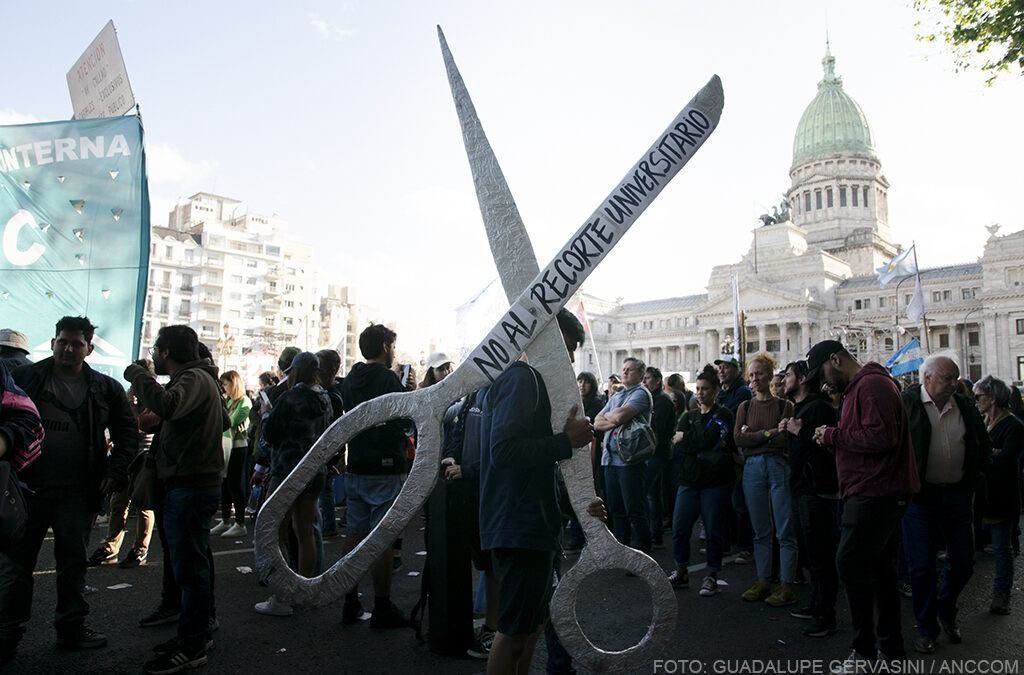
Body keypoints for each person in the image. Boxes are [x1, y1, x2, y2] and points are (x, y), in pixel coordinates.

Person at [0, 316, 137, 661]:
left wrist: (116, 471)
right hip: (28, 488)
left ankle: (71, 629)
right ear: (52, 343)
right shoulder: (25, 377)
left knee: (72, 563)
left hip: (78, 491)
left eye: (76, 343)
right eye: (63, 341)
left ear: (89, 349)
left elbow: (126, 434)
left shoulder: (106, 388)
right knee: (15, 565)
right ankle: (7, 632)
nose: (68, 348)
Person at [479, 309, 595, 675]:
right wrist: (566, 441)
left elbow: (537, 466)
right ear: (549, 344)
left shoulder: (528, 381)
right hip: (520, 525)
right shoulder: (522, 379)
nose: (573, 359)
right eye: (570, 348)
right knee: (514, 632)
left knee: (530, 629)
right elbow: (505, 452)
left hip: (530, 524)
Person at [805, 340, 919, 672]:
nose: (824, 383)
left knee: (851, 565)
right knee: (881, 573)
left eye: (823, 373)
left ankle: (865, 652)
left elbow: (881, 437)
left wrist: (832, 436)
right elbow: (868, 436)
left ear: (836, 359)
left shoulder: (871, 385)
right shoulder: (864, 386)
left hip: (874, 491)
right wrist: (835, 440)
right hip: (872, 489)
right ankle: (890, 653)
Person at [124, 325, 226, 674]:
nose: (152, 357)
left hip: (191, 485)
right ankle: (196, 631)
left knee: (190, 567)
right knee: (192, 561)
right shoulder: (201, 378)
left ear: (165, 353)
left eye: (155, 351)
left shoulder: (194, 378)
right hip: (189, 483)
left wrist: (138, 375)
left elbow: (168, 404)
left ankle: (193, 643)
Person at [901, 354, 991, 654]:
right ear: (927, 379)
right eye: (947, 378)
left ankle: (946, 606)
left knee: (964, 561)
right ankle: (926, 628)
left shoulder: (964, 407)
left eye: (955, 378)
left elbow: (980, 445)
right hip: (921, 497)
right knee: (922, 567)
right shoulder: (908, 405)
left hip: (957, 495)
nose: (954, 384)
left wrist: (976, 479)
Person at [339, 324, 414, 628]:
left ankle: (349, 600)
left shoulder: (349, 380)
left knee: (354, 534)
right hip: (385, 467)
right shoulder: (388, 378)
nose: (394, 352)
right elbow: (402, 420)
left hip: (356, 462)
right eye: (393, 346)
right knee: (381, 537)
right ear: (385, 346)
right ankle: (382, 606)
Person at [254, 352, 334, 617]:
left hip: (287, 469)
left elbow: (271, 434)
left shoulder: (289, 398)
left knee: (276, 531)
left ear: (295, 372)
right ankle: (304, 591)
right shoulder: (325, 399)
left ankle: (282, 594)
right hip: (314, 471)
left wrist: (266, 414)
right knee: (305, 532)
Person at [778, 360, 839, 637]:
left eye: (788, 375)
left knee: (821, 555)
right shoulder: (800, 408)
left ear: (802, 379)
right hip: (802, 487)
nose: (783, 380)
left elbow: (827, 449)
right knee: (811, 553)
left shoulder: (820, 407)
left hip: (817, 490)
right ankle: (816, 605)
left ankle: (826, 616)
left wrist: (798, 431)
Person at [734, 352, 797, 607]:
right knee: (760, 530)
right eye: (751, 374)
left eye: (759, 373)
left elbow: (786, 438)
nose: (754, 378)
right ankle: (762, 580)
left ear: (770, 375)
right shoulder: (745, 407)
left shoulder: (785, 406)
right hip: (752, 469)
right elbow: (738, 440)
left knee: (784, 529)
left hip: (778, 465)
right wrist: (769, 433)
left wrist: (756, 435)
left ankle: (786, 585)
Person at [667, 364, 735, 596]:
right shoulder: (691, 415)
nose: (700, 392)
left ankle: (711, 575)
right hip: (689, 480)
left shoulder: (723, 414)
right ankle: (681, 569)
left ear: (715, 390)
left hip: (715, 481)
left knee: (714, 530)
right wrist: (692, 440)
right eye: (698, 388)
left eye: (705, 388)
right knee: (680, 527)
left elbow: (712, 440)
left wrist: (688, 438)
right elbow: (681, 443)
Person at [88, 359, 158, 569]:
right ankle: (111, 546)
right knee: (118, 502)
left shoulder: (154, 394)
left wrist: (134, 406)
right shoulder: (128, 393)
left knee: (143, 505)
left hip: (145, 455)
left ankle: (140, 549)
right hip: (127, 455)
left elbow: (143, 425)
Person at [973, 375, 1023, 615]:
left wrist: (986, 455)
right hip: (984, 495)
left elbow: (1005, 460)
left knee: (1003, 547)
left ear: (992, 399)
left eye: (979, 397)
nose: (976, 401)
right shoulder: (984, 421)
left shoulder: (1013, 425)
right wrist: (990, 452)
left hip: (1003, 495)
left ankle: (1001, 594)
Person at [595, 357, 653, 554]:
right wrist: (613, 419)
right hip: (610, 460)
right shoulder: (616, 396)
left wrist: (610, 418)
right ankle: (623, 550)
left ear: (640, 374)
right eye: (624, 369)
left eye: (630, 369)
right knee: (616, 509)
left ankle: (643, 552)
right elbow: (596, 422)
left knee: (634, 509)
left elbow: (618, 417)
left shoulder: (642, 394)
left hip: (629, 460)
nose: (625, 372)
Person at [714, 355, 754, 565]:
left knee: (739, 502)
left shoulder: (742, 392)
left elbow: (726, 416)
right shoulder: (723, 392)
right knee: (726, 501)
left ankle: (746, 546)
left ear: (737, 370)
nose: (721, 371)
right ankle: (728, 541)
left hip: (736, 452)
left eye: (726, 367)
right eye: (720, 367)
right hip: (725, 452)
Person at [212, 371, 251, 538]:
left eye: (226, 385)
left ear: (233, 384)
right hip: (225, 446)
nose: (223, 388)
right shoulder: (229, 402)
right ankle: (226, 519)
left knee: (235, 484)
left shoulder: (244, 402)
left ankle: (240, 522)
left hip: (238, 447)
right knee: (225, 484)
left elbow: (230, 422)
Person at [643, 367, 676, 549]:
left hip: (657, 453)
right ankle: (656, 533)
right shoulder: (656, 398)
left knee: (646, 491)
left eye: (647, 378)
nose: (645, 381)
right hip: (657, 452)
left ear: (657, 380)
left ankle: (650, 532)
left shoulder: (661, 400)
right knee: (653, 495)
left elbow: (659, 430)